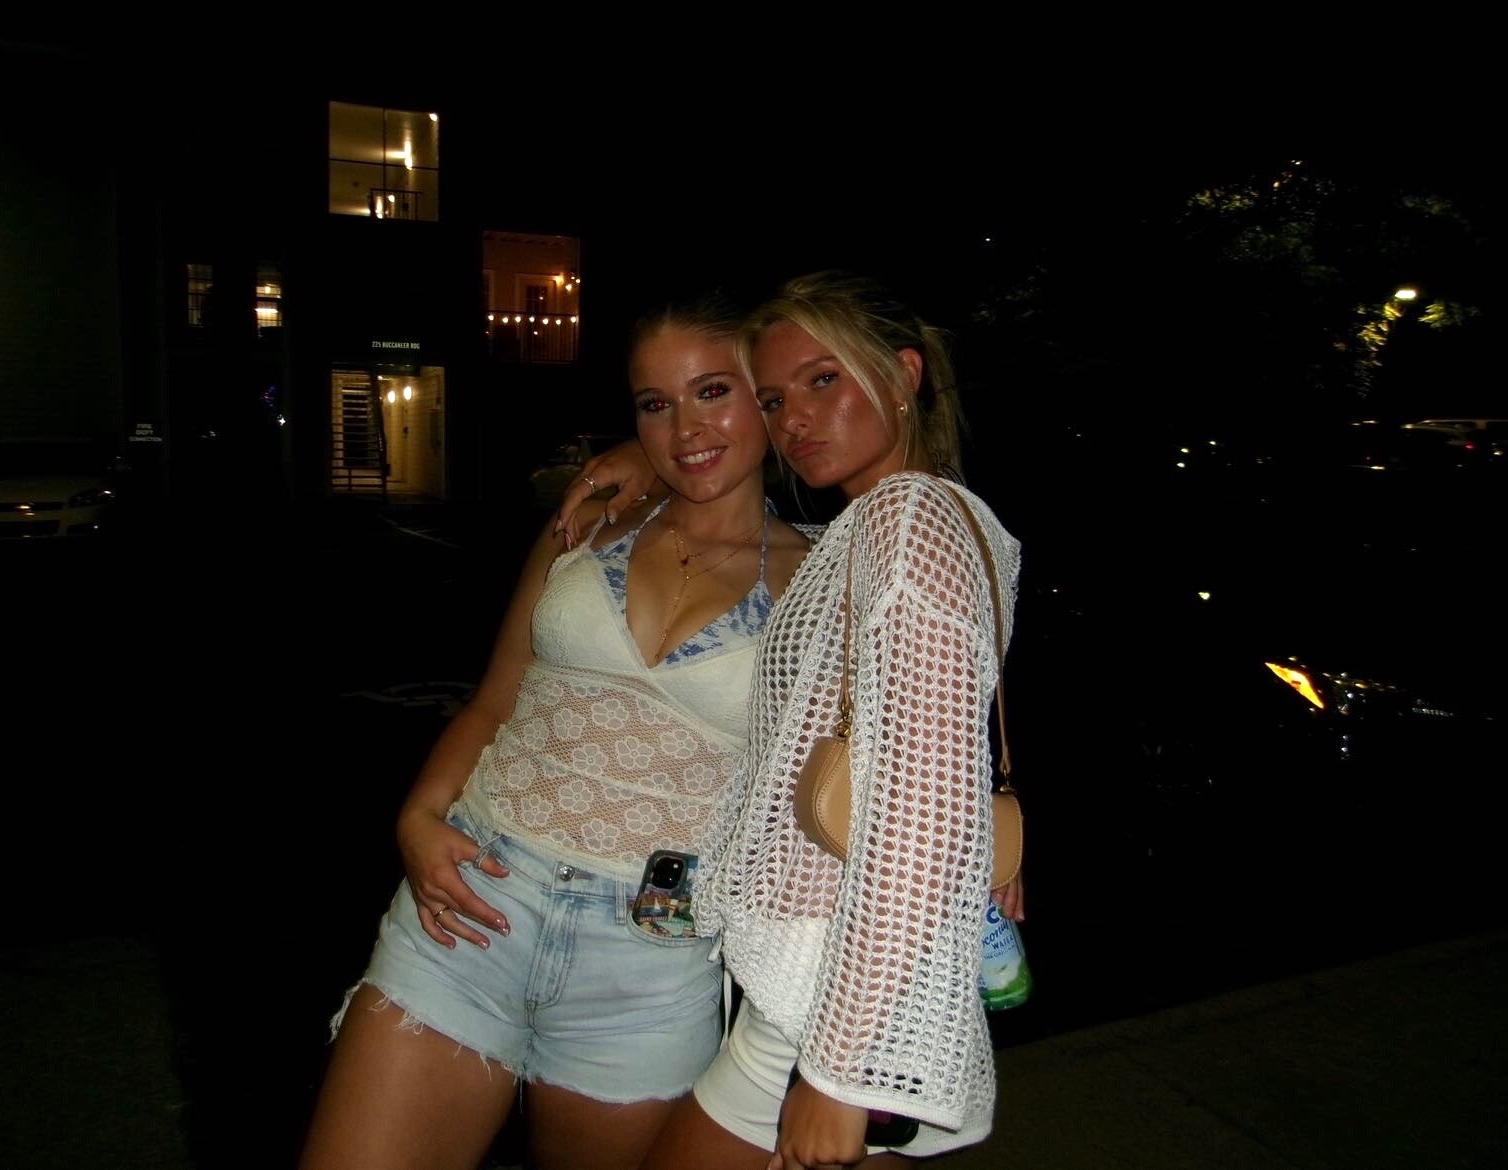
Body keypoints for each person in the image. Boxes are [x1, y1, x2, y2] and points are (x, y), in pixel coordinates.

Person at [297, 290, 815, 1170]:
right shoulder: (590, 521)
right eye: (655, 404)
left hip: (651, 963)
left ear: (765, 395)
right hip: (472, 905)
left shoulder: (820, 577)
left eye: (713, 392)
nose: (685, 428)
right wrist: (417, 816)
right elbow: (494, 701)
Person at [556, 270, 1024, 1170]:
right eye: (772, 400)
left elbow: (921, 818)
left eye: (822, 380)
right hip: (840, 982)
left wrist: (838, 1076)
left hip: (830, 1001)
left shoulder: (907, 522)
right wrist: (643, 459)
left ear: (904, 374)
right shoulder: (929, 519)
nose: (794, 419)